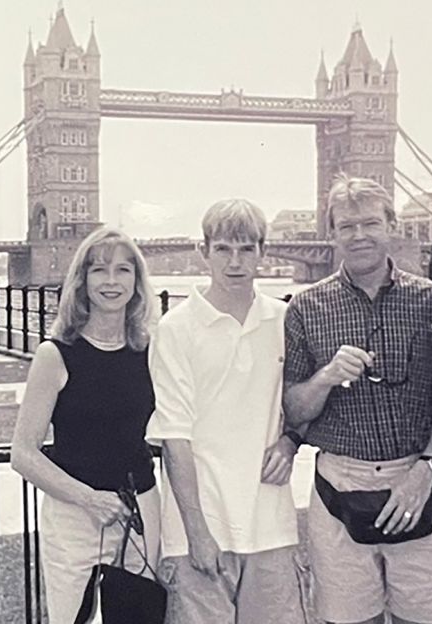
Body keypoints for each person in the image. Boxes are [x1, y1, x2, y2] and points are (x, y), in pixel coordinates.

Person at [283, 174, 432, 624]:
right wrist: (326, 376)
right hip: (339, 487)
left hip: (419, 478)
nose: (359, 235)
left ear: (391, 226)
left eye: (370, 223)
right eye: (347, 226)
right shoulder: (305, 308)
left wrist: (426, 470)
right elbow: (294, 410)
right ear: (332, 233)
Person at [146, 198, 306, 624]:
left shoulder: (285, 319)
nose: (235, 262)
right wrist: (197, 532)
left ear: (263, 252)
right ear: (204, 252)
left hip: (270, 521)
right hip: (200, 530)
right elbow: (174, 438)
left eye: (246, 249)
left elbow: (299, 404)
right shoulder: (175, 329)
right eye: (223, 249)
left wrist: (291, 442)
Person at [10, 226, 160, 622]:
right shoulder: (55, 355)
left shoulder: (152, 352)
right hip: (75, 516)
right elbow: (22, 454)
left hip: (141, 512)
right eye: (99, 270)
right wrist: (90, 498)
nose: (111, 281)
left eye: (123, 270)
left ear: (137, 282)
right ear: (82, 280)